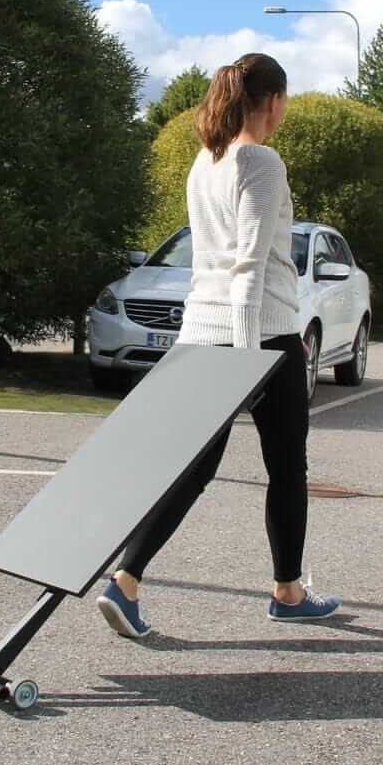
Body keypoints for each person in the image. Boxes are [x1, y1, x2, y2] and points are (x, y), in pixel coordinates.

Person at [97, 53, 341, 639]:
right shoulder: (260, 160)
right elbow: (250, 263)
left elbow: (212, 260)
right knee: (287, 468)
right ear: (274, 101)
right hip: (261, 334)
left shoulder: (204, 164)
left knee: (195, 467)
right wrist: (245, 354)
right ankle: (286, 592)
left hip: (201, 331)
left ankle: (126, 580)